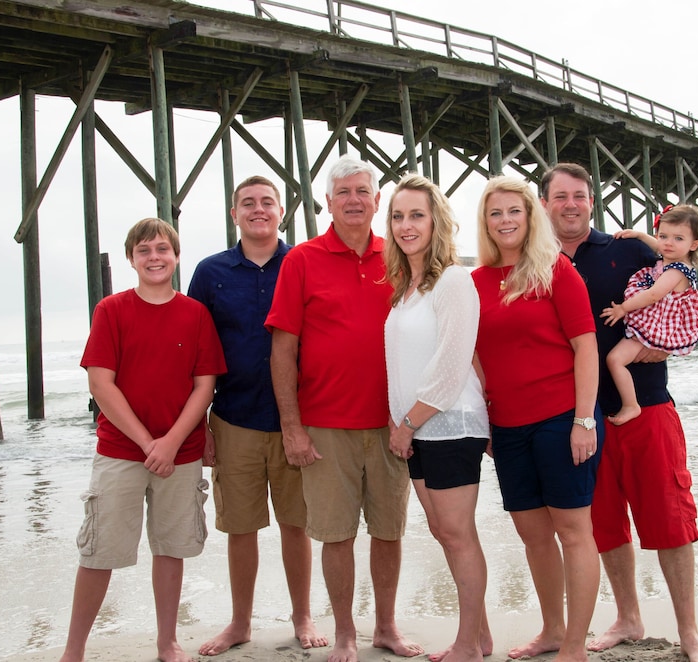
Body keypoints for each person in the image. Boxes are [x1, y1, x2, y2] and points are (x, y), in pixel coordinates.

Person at [540, 162, 698, 662]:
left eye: (579, 196)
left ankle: (689, 631)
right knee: (604, 522)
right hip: (575, 416)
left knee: (669, 517)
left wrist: (669, 347)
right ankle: (628, 616)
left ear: (591, 202)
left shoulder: (629, 249)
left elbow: (688, 310)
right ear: (545, 204)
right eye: (560, 197)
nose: (570, 205)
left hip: (646, 408)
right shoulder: (536, 258)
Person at [265, 155, 423, 662]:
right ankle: (345, 634)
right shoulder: (302, 260)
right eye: (343, 193)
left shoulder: (400, 255)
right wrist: (292, 429)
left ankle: (386, 627)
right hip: (325, 426)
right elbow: (283, 350)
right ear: (328, 203)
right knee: (336, 535)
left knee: (388, 531)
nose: (354, 200)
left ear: (378, 201)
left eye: (363, 191)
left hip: (392, 424)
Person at [60, 218, 226, 662]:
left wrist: (170, 442)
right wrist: (148, 443)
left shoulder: (195, 314)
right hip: (119, 451)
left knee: (171, 549)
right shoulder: (111, 310)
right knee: (99, 551)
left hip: (182, 452)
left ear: (175, 256)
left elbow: (204, 386)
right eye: (145, 250)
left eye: (162, 250)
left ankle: (167, 641)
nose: (154, 257)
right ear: (131, 259)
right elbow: (102, 384)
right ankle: (73, 650)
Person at [187, 176, 327, 655]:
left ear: (282, 212)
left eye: (267, 202)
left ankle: (303, 616)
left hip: (299, 419)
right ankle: (240, 622)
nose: (258, 210)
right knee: (240, 526)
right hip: (233, 417)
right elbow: (197, 353)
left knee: (297, 523)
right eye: (248, 203)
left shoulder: (305, 263)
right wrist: (201, 423)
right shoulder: (210, 272)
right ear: (235, 215)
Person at [471, 176, 602, 662]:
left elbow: (585, 346)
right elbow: (477, 356)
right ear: (485, 223)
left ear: (530, 216)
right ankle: (551, 630)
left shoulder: (556, 270)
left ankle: (574, 646)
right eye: (495, 213)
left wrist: (584, 420)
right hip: (507, 427)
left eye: (514, 211)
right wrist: (485, 417)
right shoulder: (477, 282)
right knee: (532, 535)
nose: (505, 220)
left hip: (561, 419)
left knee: (573, 531)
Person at [383, 174, 492, 662]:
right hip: (417, 428)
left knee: (457, 532)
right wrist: (398, 422)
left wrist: (407, 423)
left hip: (450, 425)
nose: (407, 225)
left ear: (436, 221)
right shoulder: (405, 288)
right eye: (399, 216)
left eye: (417, 215)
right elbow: (403, 365)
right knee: (443, 530)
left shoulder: (452, 280)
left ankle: (468, 643)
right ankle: (482, 635)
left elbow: (452, 366)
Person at [600, 204, 698, 425]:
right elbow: (659, 246)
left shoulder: (677, 270)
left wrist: (623, 308)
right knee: (616, 359)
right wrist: (639, 235)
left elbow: (653, 295)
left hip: (655, 328)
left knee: (615, 360)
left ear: (693, 244)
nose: (668, 243)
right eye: (663, 235)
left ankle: (631, 405)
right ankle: (631, 404)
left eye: (678, 238)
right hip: (653, 323)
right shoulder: (670, 258)